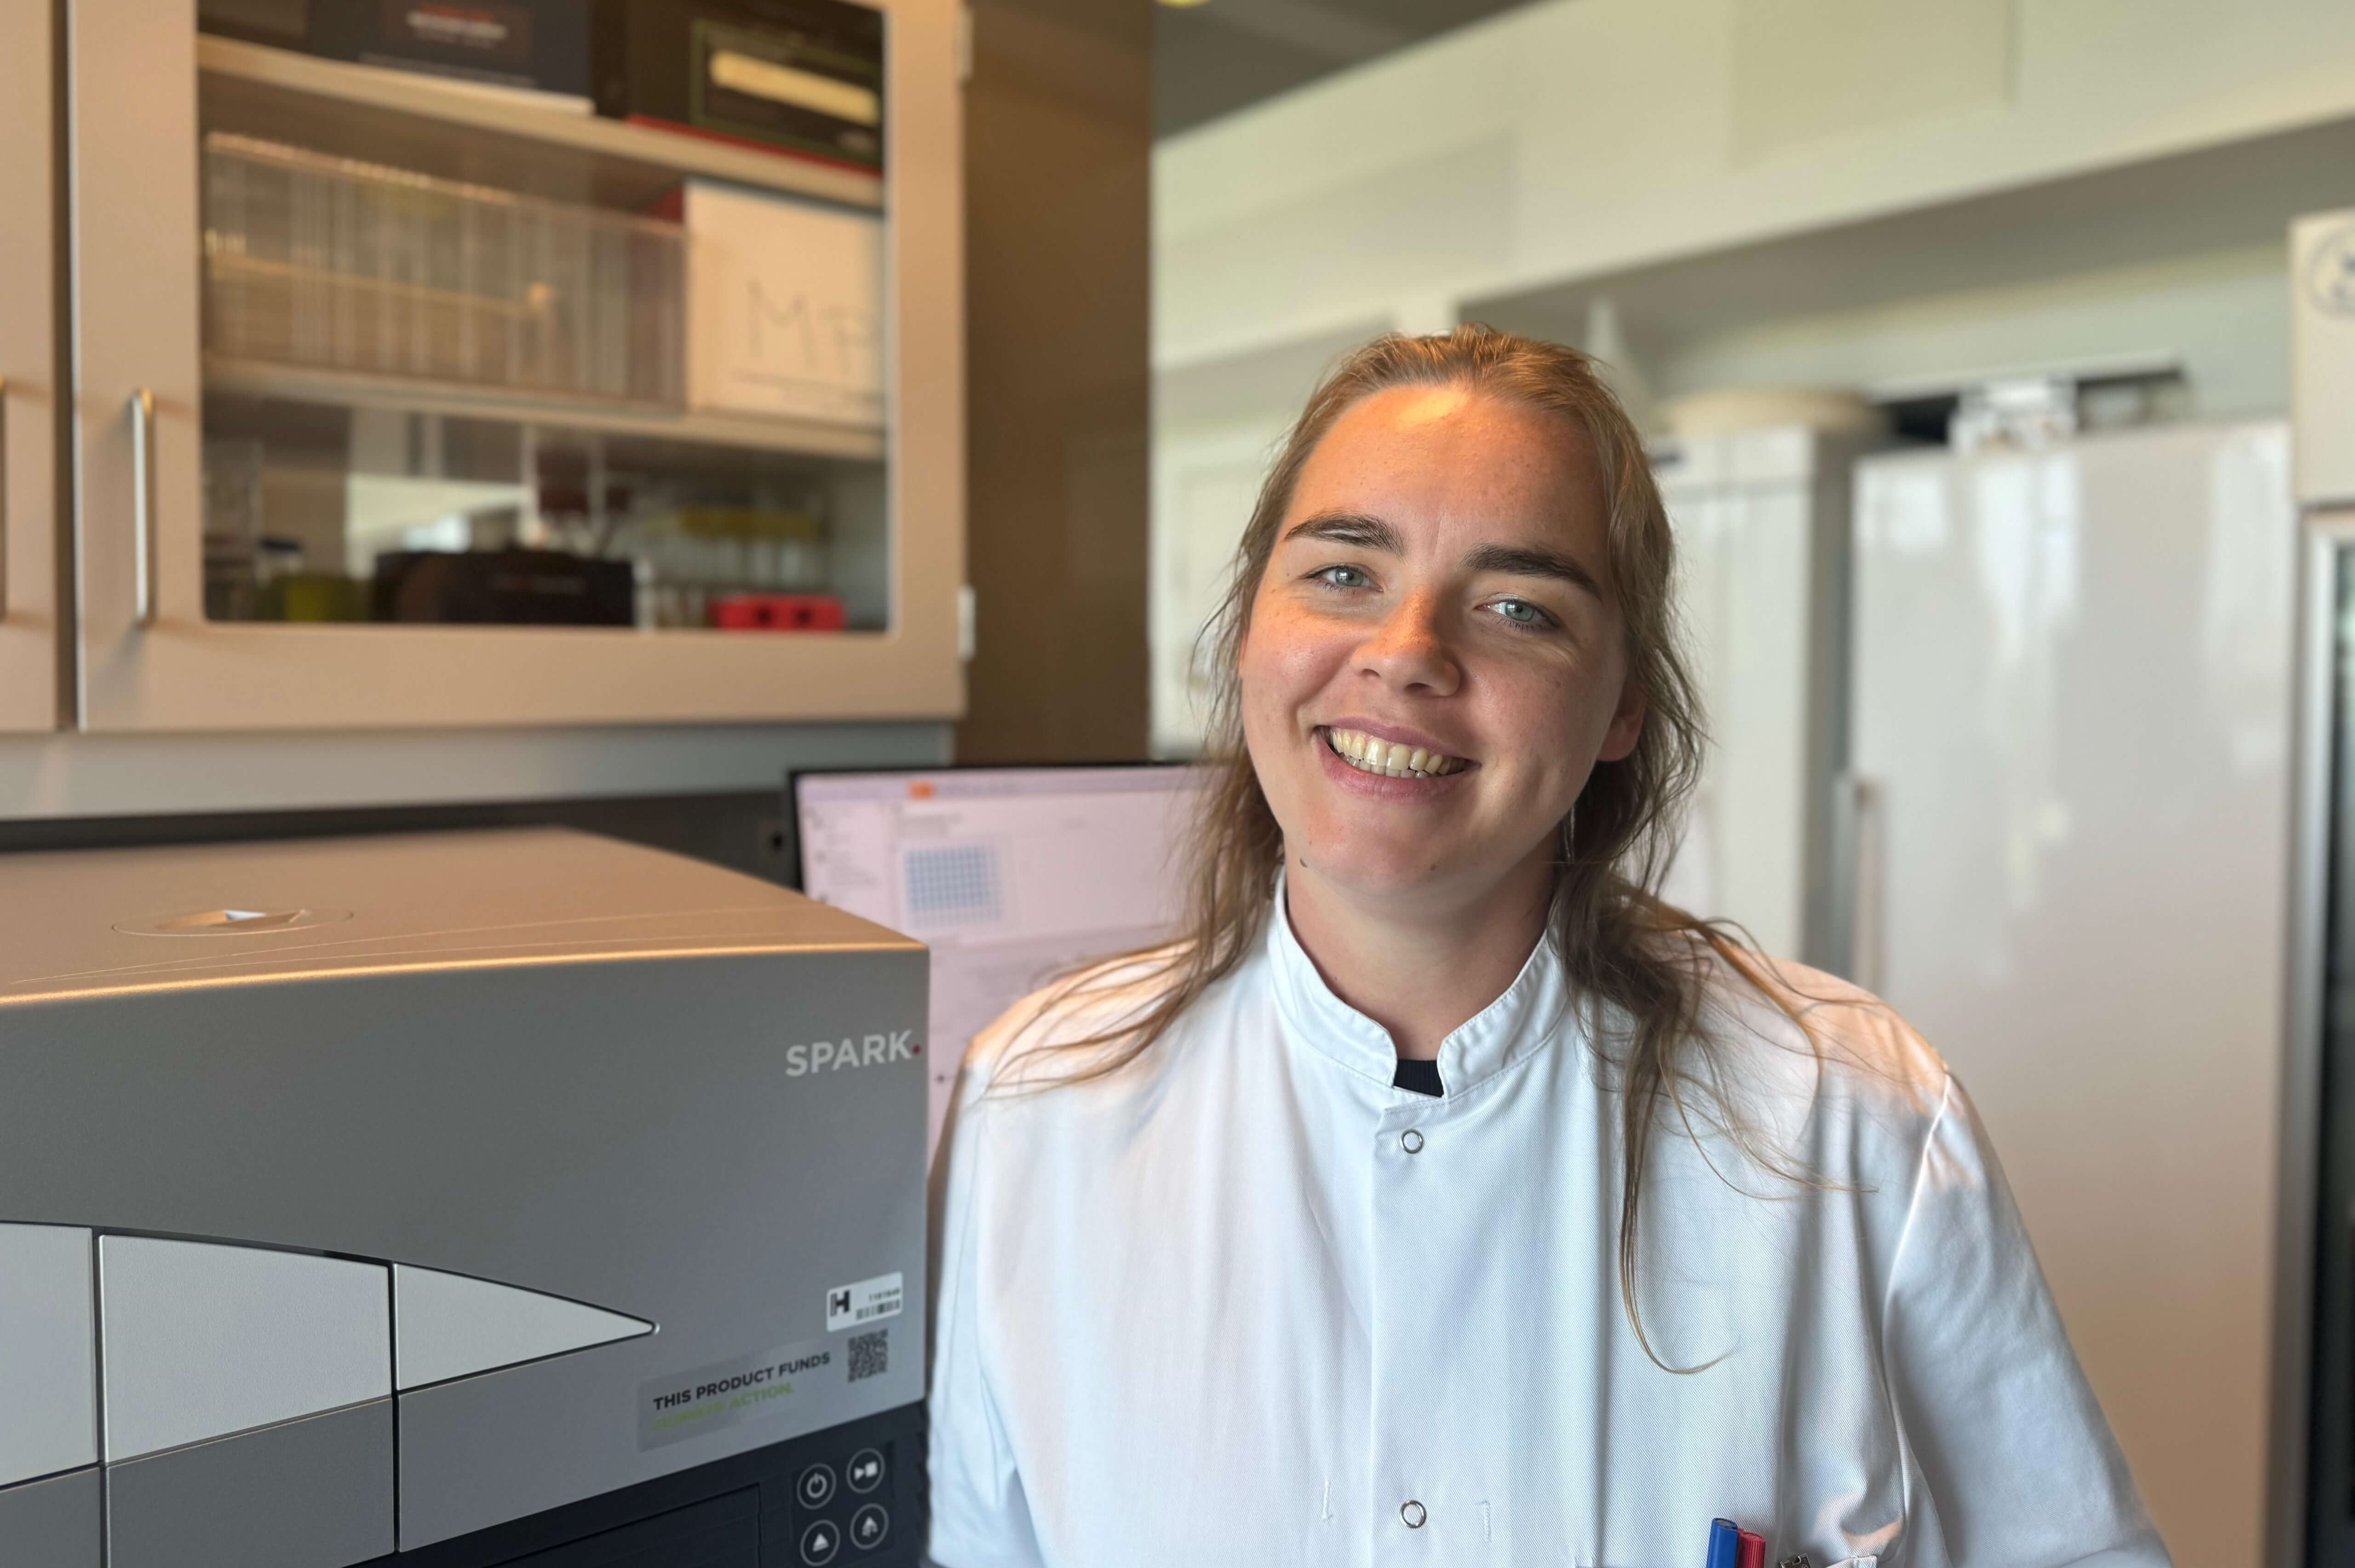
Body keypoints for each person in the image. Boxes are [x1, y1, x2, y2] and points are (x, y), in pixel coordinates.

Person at [926, 326, 2165, 1568]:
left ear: (1625, 701)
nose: (1407, 652)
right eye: (1344, 573)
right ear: (1251, 625)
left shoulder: (1855, 1123)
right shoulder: (1035, 1105)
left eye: (1519, 607)